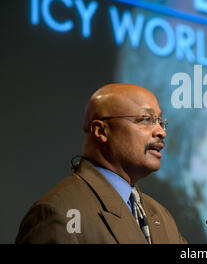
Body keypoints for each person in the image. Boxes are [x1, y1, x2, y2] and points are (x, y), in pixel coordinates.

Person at [15, 83, 187, 244]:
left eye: (160, 121)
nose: (161, 132)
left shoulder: (161, 216)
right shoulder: (59, 212)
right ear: (101, 131)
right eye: (146, 119)